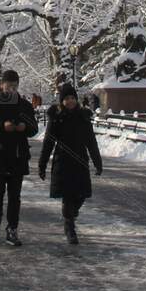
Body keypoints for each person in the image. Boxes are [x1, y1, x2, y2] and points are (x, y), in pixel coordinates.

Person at [39, 82, 104, 244]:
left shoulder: (83, 117)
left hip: (80, 161)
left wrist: (98, 162)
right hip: (63, 161)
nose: (70, 101)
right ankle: (69, 227)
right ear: (62, 101)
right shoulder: (57, 118)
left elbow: (91, 142)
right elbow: (48, 142)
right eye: (66, 98)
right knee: (68, 195)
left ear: (77, 99)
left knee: (81, 194)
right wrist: (42, 164)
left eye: (72, 98)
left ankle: (70, 215)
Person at [0, 69, 38, 245]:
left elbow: (34, 128)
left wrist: (24, 128)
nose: (11, 89)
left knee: (15, 195)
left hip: (17, 156)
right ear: (1, 84)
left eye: (14, 85)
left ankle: (12, 228)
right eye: (8, 85)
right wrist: (1, 126)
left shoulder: (24, 105)